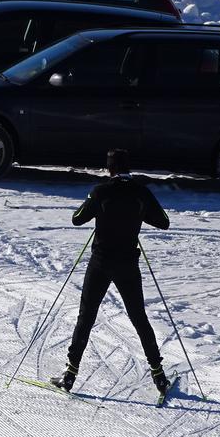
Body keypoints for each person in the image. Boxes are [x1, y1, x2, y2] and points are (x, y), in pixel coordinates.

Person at [51, 149, 171, 395]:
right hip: (127, 264)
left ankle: (70, 374)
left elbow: (77, 218)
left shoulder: (101, 191)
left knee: (86, 317)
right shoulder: (141, 191)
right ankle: (159, 376)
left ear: (109, 169)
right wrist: (137, 215)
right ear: (129, 167)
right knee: (139, 318)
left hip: (101, 263)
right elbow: (163, 221)